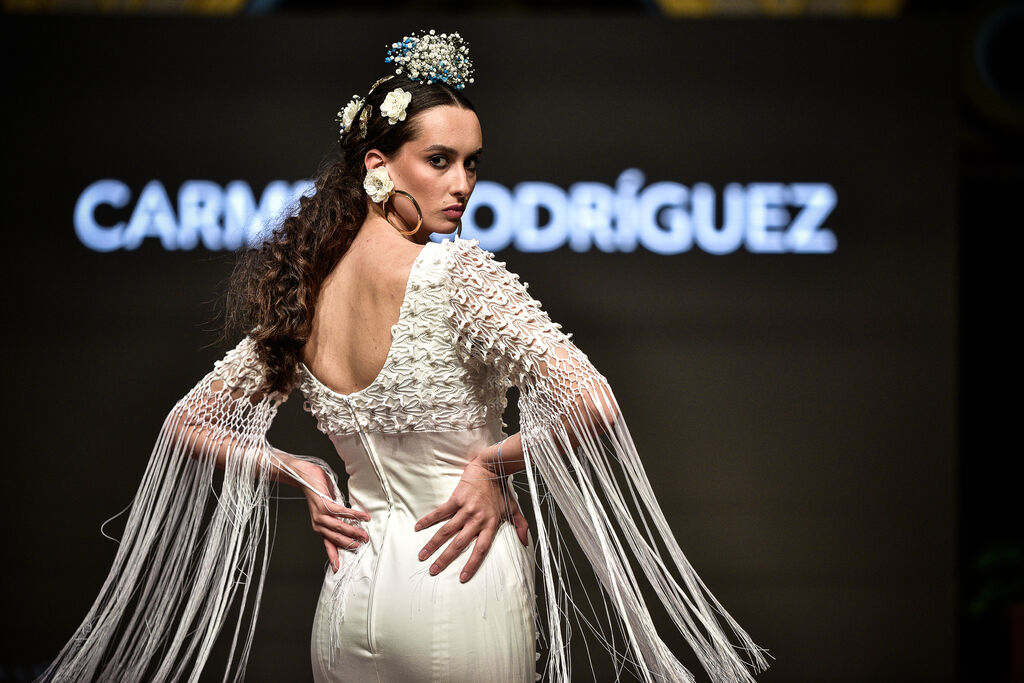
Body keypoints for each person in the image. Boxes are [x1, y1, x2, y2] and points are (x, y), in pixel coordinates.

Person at [40, 31, 767, 683]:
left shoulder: (308, 291)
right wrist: (492, 464)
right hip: (459, 582)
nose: (462, 184)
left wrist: (302, 470)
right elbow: (594, 403)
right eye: (440, 160)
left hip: (351, 600)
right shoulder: (458, 274)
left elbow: (187, 423)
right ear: (379, 166)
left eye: (472, 163)